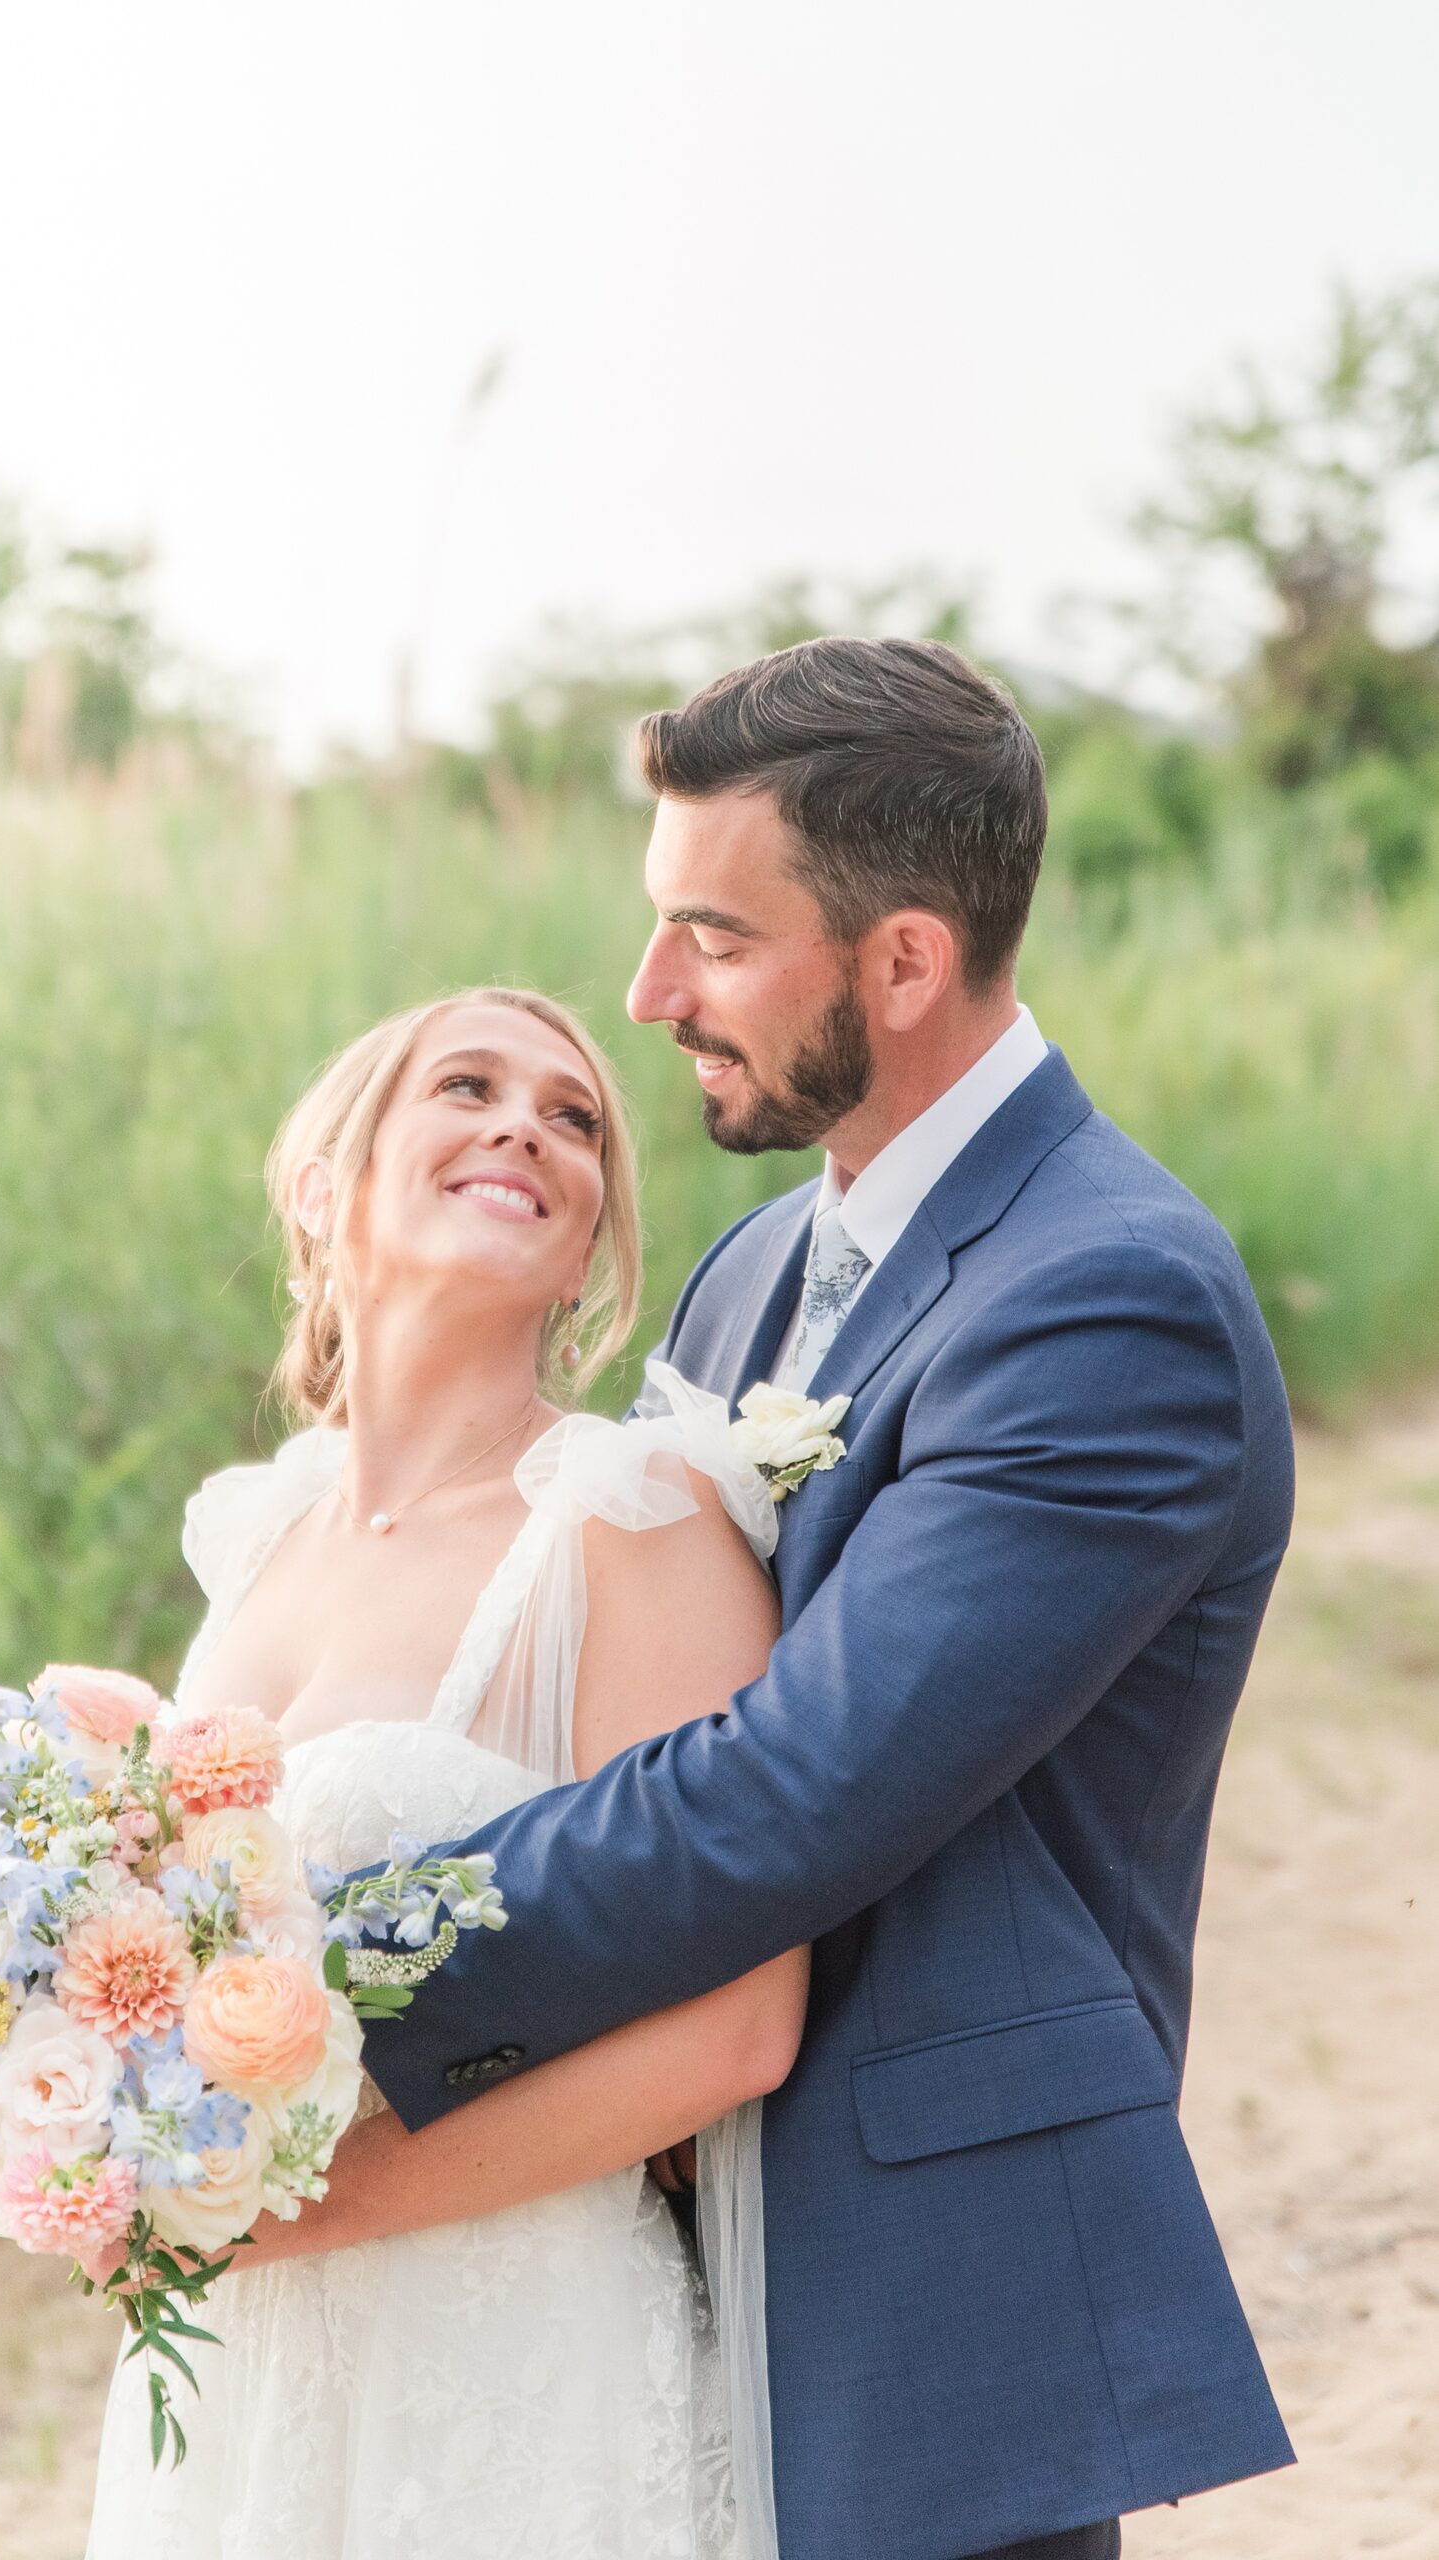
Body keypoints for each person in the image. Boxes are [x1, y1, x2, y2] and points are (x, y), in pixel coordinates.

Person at [352, 639, 1299, 2560]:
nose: (649, 999)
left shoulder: (1109, 1301)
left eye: (711, 936)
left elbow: (791, 1790)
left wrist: (320, 1960)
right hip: (645, 2241)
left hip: (918, 2275)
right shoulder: (758, 1262)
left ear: (903, 962)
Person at [87, 984, 807, 2560]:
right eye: (466, 1086)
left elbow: (735, 2029)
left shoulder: (630, 1520)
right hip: (240, 2372)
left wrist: (296, 2214)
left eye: (573, 1120)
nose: (523, 1128)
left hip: (508, 2352)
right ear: (326, 1180)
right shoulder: (260, 1535)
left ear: (587, 1237)